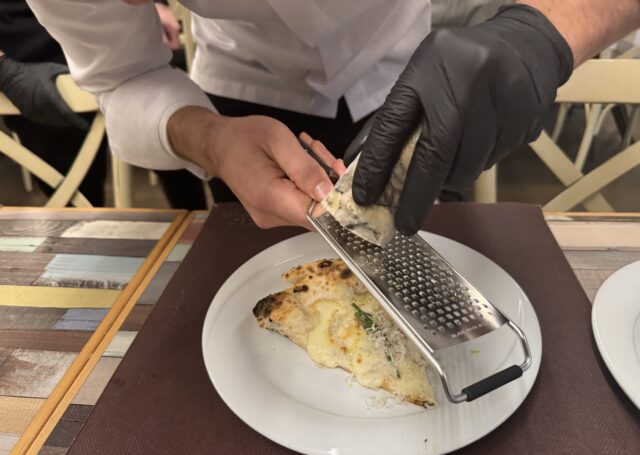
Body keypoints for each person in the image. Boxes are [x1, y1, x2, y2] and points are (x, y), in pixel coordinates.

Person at [25, 0, 640, 228]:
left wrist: (542, 33)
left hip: (421, 71)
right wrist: (210, 139)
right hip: (237, 89)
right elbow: (122, 75)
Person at [0, 0, 182, 207]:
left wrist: (155, 3)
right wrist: (4, 70)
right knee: (78, 194)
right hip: (29, 51)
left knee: (176, 143)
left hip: (119, 24)